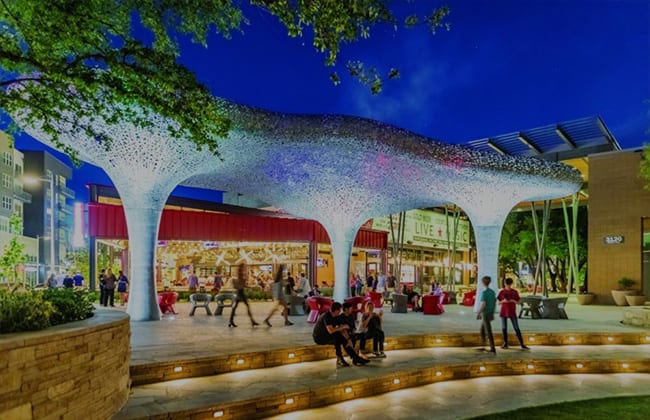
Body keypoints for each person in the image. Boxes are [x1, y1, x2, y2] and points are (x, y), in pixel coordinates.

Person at [312, 302, 369, 367]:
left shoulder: (336, 317)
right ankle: (341, 359)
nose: (340, 312)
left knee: (341, 338)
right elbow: (331, 330)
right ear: (336, 310)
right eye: (339, 310)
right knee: (337, 337)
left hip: (329, 336)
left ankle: (354, 358)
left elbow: (342, 330)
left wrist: (348, 339)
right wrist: (342, 327)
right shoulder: (327, 316)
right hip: (319, 338)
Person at [498, 277, 529, 350]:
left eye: (509, 285)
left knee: (516, 327)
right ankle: (505, 343)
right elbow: (499, 302)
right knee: (504, 328)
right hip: (504, 311)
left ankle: (522, 344)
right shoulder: (502, 292)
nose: (508, 286)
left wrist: (512, 300)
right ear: (505, 284)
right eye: (507, 284)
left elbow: (518, 302)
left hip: (512, 311)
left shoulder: (514, 292)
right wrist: (504, 301)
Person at [229, 263, 259, 328]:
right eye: (244, 267)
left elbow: (242, 284)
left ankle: (231, 321)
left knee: (236, 307)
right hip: (240, 292)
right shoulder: (240, 274)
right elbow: (242, 284)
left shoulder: (239, 273)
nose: (245, 268)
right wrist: (249, 286)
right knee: (246, 306)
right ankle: (252, 321)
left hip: (239, 292)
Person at [476, 275, 497, 354]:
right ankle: (484, 344)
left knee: (488, 331)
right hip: (490, 312)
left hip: (486, 313)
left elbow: (484, 304)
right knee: (482, 329)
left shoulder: (485, 293)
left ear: (483, 282)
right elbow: (494, 302)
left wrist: (479, 313)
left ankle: (492, 347)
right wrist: (493, 311)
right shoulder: (492, 292)